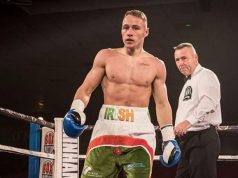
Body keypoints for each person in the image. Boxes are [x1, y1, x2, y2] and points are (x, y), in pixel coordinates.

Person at [63, 10, 181, 178]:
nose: (129, 32)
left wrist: (169, 137)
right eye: (125, 27)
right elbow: (86, 88)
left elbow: (162, 103)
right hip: (106, 129)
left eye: (135, 28)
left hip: (140, 135)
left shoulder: (156, 65)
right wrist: (76, 109)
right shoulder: (106, 56)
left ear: (146, 32)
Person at [173, 42, 222, 178]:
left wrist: (188, 122)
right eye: (177, 60)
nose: (180, 63)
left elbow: (209, 102)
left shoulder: (206, 75)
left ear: (195, 58)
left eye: (184, 58)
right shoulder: (189, 82)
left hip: (202, 138)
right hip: (187, 141)